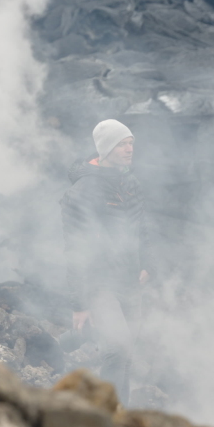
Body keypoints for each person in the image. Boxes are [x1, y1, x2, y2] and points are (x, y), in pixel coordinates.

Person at [58, 119, 154, 403]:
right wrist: (80, 304)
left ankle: (119, 413)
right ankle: (107, 418)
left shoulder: (130, 181)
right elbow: (75, 249)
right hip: (100, 284)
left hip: (130, 282)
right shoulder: (82, 191)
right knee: (117, 348)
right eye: (122, 144)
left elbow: (143, 229)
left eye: (130, 142)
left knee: (126, 352)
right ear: (107, 148)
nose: (129, 149)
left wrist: (147, 264)